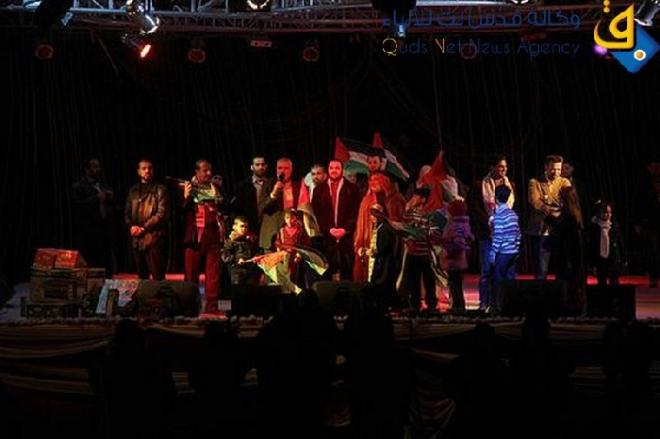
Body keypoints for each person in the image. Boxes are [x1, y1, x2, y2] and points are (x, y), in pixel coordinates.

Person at [182, 159, 227, 313]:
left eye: (210, 171)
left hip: (213, 235)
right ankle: (189, 307)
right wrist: (186, 197)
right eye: (205, 170)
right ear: (197, 172)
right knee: (191, 274)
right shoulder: (187, 187)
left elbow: (225, 207)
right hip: (194, 237)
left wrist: (218, 198)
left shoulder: (216, 188)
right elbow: (178, 211)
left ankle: (212, 308)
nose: (209, 173)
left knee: (213, 275)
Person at [312, 159, 361, 280]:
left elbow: (355, 212)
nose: (334, 170)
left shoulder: (353, 189)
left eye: (337, 168)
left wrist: (345, 229)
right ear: (328, 170)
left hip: (347, 237)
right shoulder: (318, 190)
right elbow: (317, 213)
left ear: (342, 170)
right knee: (327, 273)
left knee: (347, 272)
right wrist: (329, 229)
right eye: (331, 168)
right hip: (327, 237)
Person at [353, 172, 406, 282]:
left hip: (388, 248)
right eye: (371, 180)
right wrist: (360, 245)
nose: (372, 183)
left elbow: (398, 226)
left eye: (376, 179)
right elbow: (361, 226)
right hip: (370, 244)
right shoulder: (366, 200)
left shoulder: (395, 199)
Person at [527, 155, 572, 280]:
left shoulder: (564, 182)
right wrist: (554, 209)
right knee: (541, 270)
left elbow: (570, 201)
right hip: (541, 231)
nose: (556, 172)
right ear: (546, 167)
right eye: (553, 169)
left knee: (562, 268)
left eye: (558, 169)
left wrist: (549, 205)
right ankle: (541, 292)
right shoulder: (534, 182)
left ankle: (562, 292)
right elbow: (535, 202)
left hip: (559, 231)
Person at [479, 155, 515, 311]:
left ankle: (502, 303)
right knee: (487, 269)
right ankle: (484, 303)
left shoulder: (510, 185)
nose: (504, 169)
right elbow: (475, 208)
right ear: (491, 168)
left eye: (505, 167)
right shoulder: (481, 185)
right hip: (488, 233)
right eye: (500, 166)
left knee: (504, 270)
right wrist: (490, 220)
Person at [124, 159, 169, 280]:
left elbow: (161, 214)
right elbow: (127, 213)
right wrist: (131, 226)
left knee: (158, 277)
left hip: (154, 237)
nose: (147, 171)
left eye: (150, 168)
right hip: (137, 239)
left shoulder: (160, 189)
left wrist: (144, 227)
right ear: (139, 171)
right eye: (144, 168)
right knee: (142, 277)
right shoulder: (133, 190)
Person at [72, 156, 116, 273]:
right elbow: (78, 207)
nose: (98, 169)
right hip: (89, 234)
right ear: (87, 169)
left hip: (105, 233)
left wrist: (110, 197)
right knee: (92, 268)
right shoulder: (79, 186)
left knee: (107, 268)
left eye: (98, 166)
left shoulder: (103, 184)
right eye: (94, 166)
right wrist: (96, 198)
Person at [400, 186, 439, 311]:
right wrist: (408, 238)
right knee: (413, 280)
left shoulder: (429, 215)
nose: (413, 198)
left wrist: (420, 233)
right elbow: (403, 230)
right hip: (412, 253)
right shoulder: (409, 213)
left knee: (429, 280)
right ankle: (415, 304)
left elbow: (433, 233)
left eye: (416, 196)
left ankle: (431, 303)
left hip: (424, 253)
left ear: (423, 199)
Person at [259, 157, 308, 251]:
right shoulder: (268, 184)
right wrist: (273, 194)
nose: (282, 171)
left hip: (292, 237)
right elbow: (261, 208)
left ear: (291, 170)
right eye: (279, 168)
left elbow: (304, 209)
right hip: (272, 234)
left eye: (286, 168)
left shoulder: (298, 185)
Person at [551, 186, 587, 315]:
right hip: (574, 258)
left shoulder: (569, 217)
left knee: (568, 286)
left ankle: (571, 309)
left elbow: (566, 239)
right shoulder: (576, 214)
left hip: (568, 259)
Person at [488, 185, 521, 313]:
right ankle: (511, 307)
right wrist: (516, 247)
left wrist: (493, 252)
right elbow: (518, 233)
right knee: (510, 279)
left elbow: (498, 236)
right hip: (513, 251)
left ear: (496, 198)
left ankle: (498, 307)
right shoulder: (513, 214)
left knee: (498, 280)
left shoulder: (499, 215)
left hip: (503, 253)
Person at [439, 200, 474, 314]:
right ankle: (457, 306)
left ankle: (456, 307)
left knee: (455, 285)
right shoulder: (459, 223)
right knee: (456, 284)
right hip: (456, 261)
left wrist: (445, 244)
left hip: (454, 261)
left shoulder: (456, 225)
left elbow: (458, 244)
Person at [232, 156, 273, 240]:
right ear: (252, 167)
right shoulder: (242, 186)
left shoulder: (272, 184)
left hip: (268, 227)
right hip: (249, 228)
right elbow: (238, 209)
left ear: (266, 166)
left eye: (263, 164)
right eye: (257, 165)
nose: (260, 167)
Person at [365, 204, 399, 305]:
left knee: (382, 285)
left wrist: (371, 252)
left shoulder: (384, 229)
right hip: (383, 262)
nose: (371, 217)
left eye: (373, 215)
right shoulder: (381, 227)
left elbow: (383, 248)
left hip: (384, 264)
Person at [588, 201, 625, 287]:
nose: (608, 215)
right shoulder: (594, 227)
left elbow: (620, 242)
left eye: (610, 212)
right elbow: (592, 246)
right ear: (600, 212)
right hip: (601, 261)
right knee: (602, 284)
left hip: (613, 259)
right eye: (606, 212)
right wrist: (592, 264)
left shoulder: (614, 225)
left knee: (614, 283)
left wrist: (623, 258)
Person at [275, 209, 311, 287]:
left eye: (292, 218)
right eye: (287, 218)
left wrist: (299, 254)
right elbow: (278, 243)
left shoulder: (299, 230)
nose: (289, 220)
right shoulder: (282, 230)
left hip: (296, 257)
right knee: (286, 276)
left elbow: (304, 243)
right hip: (285, 257)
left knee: (295, 277)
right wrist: (279, 254)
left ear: (295, 218)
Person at [221, 216, 259, 286]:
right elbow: (225, 256)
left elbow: (255, 252)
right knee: (238, 290)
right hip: (236, 273)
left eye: (246, 227)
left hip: (250, 272)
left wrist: (256, 257)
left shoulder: (249, 241)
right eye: (242, 226)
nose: (244, 229)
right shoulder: (230, 242)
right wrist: (236, 260)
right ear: (234, 227)